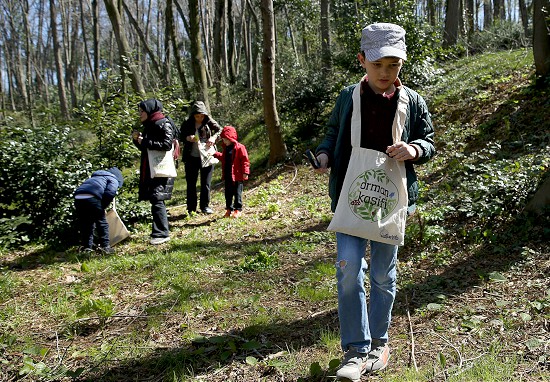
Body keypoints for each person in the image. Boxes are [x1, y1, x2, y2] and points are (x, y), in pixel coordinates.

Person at [313, 23, 435, 381]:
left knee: (382, 274)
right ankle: (354, 351)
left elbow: (428, 141)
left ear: (402, 65)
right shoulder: (348, 96)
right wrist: (323, 155)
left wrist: (413, 149)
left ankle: (379, 347)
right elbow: (333, 133)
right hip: (350, 198)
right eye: (378, 63)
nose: (385, 72)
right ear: (362, 60)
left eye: (393, 65)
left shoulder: (412, 100)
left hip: (391, 200)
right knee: (349, 270)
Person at [133, 98, 176, 245]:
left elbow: (166, 144)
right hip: (152, 168)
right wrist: (137, 141)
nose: (140, 114)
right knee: (155, 198)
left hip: (161, 168)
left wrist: (144, 141)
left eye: (142, 111)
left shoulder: (164, 123)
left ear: (150, 110)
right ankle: (158, 232)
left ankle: (162, 233)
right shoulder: (150, 126)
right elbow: (148, 149)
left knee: (157, 198)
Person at [179, 101, 221, 215]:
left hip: (207, 156)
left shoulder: (209, 121)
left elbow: (220, 130)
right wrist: (188, 138)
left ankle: (205, 206)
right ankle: (191, 208)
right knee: (191, 184)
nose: (200, 118)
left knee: (206, 183)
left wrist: (213, 138)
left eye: (202, 116)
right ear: (193, 115)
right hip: (191, 157)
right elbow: (179, 135)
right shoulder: (187, 123)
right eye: (197, 116)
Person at [74, 167, 124, 253]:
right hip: (92, 197)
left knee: (86, 223)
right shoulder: (113, 178)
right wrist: (103, 206)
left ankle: (87, 248)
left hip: (78, 197)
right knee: (102, 222)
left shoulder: (95, 177)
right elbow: (110, 192)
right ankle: (105, 247)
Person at [213, 126, 250, 218]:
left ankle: (238, 209)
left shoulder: (240, 148)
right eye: (223, 139)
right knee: (228, 193)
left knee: (237, 193)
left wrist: (245, 172)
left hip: (238, 175)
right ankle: (229, 209)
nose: (224, 141)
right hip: (228, 175)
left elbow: (245, 161)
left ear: (231, 138)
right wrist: (216, 154)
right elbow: (224, 159)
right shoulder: (226, 149)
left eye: (226, 139)